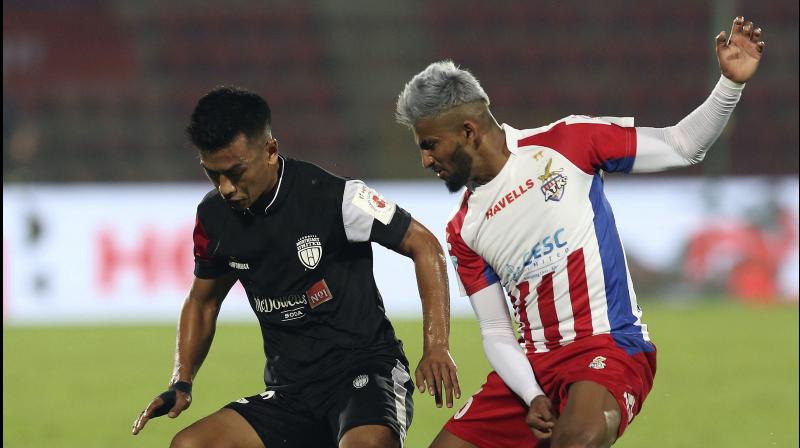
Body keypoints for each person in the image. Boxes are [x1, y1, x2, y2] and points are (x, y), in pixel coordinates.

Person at [395, 16, 764, 448]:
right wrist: (531, 395)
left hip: (606, 349)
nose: (425, 160)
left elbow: (683, 145)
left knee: (575, 439)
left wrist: (729, 85)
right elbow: (496, 332)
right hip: (533, 370)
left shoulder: (567, 143)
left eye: (429, 145)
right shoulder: (463, 229)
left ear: (468, 131)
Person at [132, 86, 461, 448]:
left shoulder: (334, 197)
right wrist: (183, 380)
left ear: (270, 151)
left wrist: (436, 345)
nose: (226, 187)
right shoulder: (214, 219)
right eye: (213, 174)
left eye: (235, 172)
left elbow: (425, 246)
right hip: (290, 393)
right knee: (190, 445)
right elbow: (203, 301)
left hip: (365, 373)